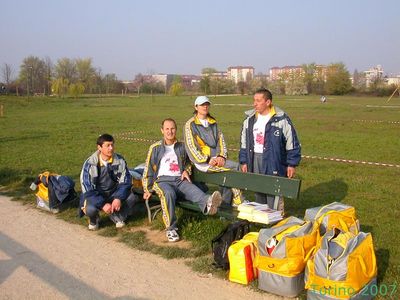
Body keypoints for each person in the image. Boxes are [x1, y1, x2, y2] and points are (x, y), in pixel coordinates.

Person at [142, 118, 222, 242]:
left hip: (180, 179)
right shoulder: (155, 148)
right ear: (162, 130)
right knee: (169, 194)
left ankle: (208, 204)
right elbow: (148, 169)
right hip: (163, 181)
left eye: (172, 128)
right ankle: (171, 229)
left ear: (176, 130)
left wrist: (186, 170)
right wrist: (147, 188)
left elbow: (189, 163)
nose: (170, 131)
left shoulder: (182, 146)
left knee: (193, 190)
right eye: (167, 129)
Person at [239, 88, 301, 211]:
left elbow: (292, 142)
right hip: (254, 158)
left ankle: (276, 220)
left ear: (268, 102)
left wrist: (292, 164)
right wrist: (244, 161)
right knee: (259, 189)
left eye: (258, 100)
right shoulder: (249, 120)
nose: (254, 103)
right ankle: (262, 218)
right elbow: (243, 142)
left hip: (274, 160)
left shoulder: (282, 119)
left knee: (273, 190)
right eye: (254, 100)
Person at [184, 96, 243, 206]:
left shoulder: (213, 122)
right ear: (196, 107)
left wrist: (222, 156)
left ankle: (226, 204)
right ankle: (236, 199)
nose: (205, 106)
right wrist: (207, 159)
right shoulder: (190, 125)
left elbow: (222, 141)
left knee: (233, 168)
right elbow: (191, 147)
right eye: (202, 104)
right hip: (202, 163)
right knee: (233, 169)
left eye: (207, 104)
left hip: (217, 159)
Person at [79, 134, 138, 230]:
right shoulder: (90, 163)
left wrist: (118, 198)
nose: (111, 148)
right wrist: (102, 204)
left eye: (112, 145)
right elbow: (87, 188)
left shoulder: (120, 160)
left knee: (132, 197)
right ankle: (94, 220)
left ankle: (117, 216)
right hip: (96, 194)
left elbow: (126, 181)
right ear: (99, 147)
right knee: (90, 209)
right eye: (107, 145)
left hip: (113, 193)